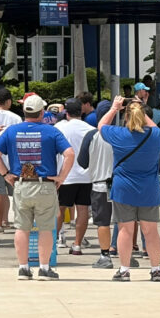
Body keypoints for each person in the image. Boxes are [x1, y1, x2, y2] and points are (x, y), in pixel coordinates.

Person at [0, 94, 74, 280]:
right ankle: (44, 268)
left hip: (21, 184)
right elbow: (69, 154)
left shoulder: (11, 131)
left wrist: (5, 174)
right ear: (42, 112)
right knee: (45, 228)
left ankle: (23, 268)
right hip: (45, 185)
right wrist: (61, 177)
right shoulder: (51, 132)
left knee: (21, 227)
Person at [97, 96, 160, 282]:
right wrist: (141, 106)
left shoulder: (119, 135)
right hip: (149, 189)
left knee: (125, 230)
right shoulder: (155, 135)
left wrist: (114, 108)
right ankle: (155, 269)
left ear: (126, 117)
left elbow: (101, 126)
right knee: (150, 231)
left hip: (123, 188)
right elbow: (156, 127)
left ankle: (125, 270)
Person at [77, 100, 116, 269]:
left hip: (100, 184)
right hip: (120, 183)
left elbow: (82, 162)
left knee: (103, 222)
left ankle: (105, 255)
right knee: (126, 221)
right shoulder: (122, 133)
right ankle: (126, 252)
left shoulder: (91, 135)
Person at [56, 98, 95, 255]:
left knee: (60, 208)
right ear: (82, 111)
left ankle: (51, 242)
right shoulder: (90, 129)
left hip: (65, 175)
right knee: (83, 209)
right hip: (86, 175)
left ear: (66, 112)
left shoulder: (59, 128)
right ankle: (77, 244)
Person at [0, 88, 21, 231]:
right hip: (13, 160)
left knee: (0, 192)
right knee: (17, 192)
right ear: (8, 101)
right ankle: (17, 222)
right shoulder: (16, 118)